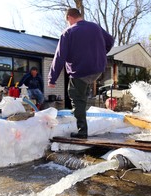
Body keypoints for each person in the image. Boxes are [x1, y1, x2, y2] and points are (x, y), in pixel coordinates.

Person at [48, 8, 114, 139]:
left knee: (75, 96)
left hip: (81, 70)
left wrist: (52, 78)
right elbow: (110, 41)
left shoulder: (68, 32)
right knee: (82, 95)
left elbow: (60, 57)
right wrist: (100, 53)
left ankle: (82, 131)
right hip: (98, 69)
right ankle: (81, 113)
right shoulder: (95, 27)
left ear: (69, 18)